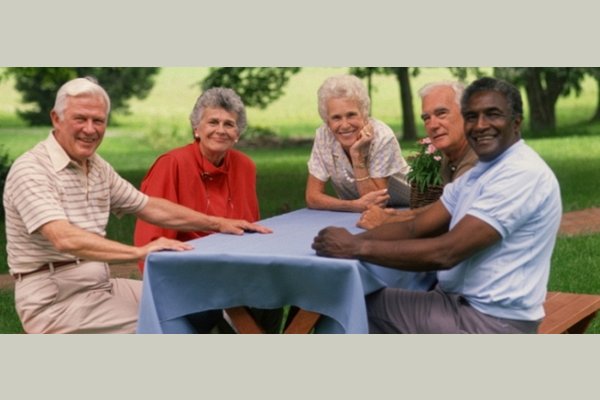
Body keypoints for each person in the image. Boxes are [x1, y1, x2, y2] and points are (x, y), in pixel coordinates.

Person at [3, 77, 271, 334]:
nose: (90, 129)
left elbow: (147, 206)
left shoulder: (96, 166)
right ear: (56, 118)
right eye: (80, 119)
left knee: (191, 302)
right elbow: (63, 238)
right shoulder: (32, 169)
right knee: (166, 329)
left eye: (98, 120)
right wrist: (138, 251)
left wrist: (218, 223)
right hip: (54, 298)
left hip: (100, 285)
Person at [312, 77, 562, 334]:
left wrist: (356, 246)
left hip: (490, 321)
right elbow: (417, 226)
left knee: (345, 316)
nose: (480, 125)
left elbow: (446, 251)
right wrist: (353, 239)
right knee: (348, 306)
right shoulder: (481, 172)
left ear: (516, 122)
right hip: (453, 302)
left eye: (492, 115)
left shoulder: (520, 174)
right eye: (472, 116)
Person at [134, 87, 281, 333]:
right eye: (212, 122)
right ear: (196, 128)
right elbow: (150, 242)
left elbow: (250, 228)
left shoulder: (245, 166)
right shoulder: (172, 164)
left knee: (275, 295)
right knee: (245, 304)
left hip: (237, 269)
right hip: (185, 276)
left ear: (237, 134)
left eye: (229, 124)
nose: (220, 130)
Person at [357, 81, 478, 230]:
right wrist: (395, 215)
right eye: (426, 118)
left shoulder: (478, 158)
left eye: (441, 113)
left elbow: (453, 221)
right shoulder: (450, 155)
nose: (433, 125)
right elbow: (443, 207)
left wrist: (388, 222)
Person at [306, 74, 411, 212]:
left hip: (412, 204)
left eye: (351, 115)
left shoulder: (382, 137)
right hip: (357, 212)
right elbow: (312, 197)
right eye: (336, 118)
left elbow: (376, 204)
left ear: (364, 113)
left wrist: (357, 155)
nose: (344, 125)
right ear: (327, 121)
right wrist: (353, 205)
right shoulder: (324, 135)